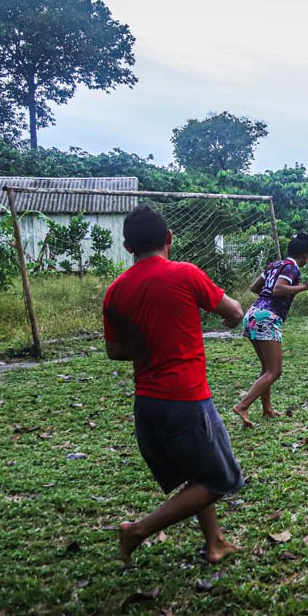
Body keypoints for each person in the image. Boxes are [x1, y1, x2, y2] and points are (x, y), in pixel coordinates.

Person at [103, 205, 246, 565]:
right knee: (222, 479)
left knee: (195, 475)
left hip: (147, 403)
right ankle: (137, 530)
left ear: (127, 245)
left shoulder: (116, 290)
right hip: (185, 399)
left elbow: (115, 351)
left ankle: (215, 543)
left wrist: (152, 341)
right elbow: (234, 312)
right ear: (169, 239)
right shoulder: (185, 274)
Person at [233, 233, 308, 426]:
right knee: (275, 371)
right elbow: (278, 289)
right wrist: (304, 286)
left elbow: (255, 287)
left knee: (266, 368)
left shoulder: (275, 265)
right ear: (305, 255)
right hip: (268, 318)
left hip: (254, 314)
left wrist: (268, 296)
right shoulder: (292, 267)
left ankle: (267, 409)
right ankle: (243, 406)